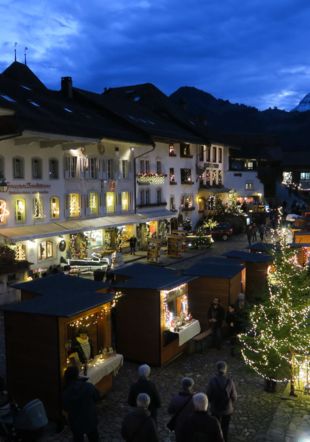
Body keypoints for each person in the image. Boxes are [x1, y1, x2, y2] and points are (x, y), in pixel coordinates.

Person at [63, 366, 100, 442]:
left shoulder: (66, 393)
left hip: (76, 423)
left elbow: (66, 408)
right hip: (90, 419)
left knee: (78, 439)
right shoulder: (88, 386)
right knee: (94, 438)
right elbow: (97, 397)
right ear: (77, 375)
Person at [206, 361, 237, 442]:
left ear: (217, 369)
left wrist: (211, 402)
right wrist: (230, 403)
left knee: (215, 425)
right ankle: (224, 439)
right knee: (225, 427)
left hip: (215, 408)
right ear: (225, 369)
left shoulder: (212, 381)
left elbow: (208, 395)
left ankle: (215, 439)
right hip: (227, 409)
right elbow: (234, 396)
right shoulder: (230, 381)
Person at [167, 377, 195, 442]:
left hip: (179, 425)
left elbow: (170, 410)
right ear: (192, 386)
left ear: (182, 386)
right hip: (191, 425)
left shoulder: (175, 398)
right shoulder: (195, 399)